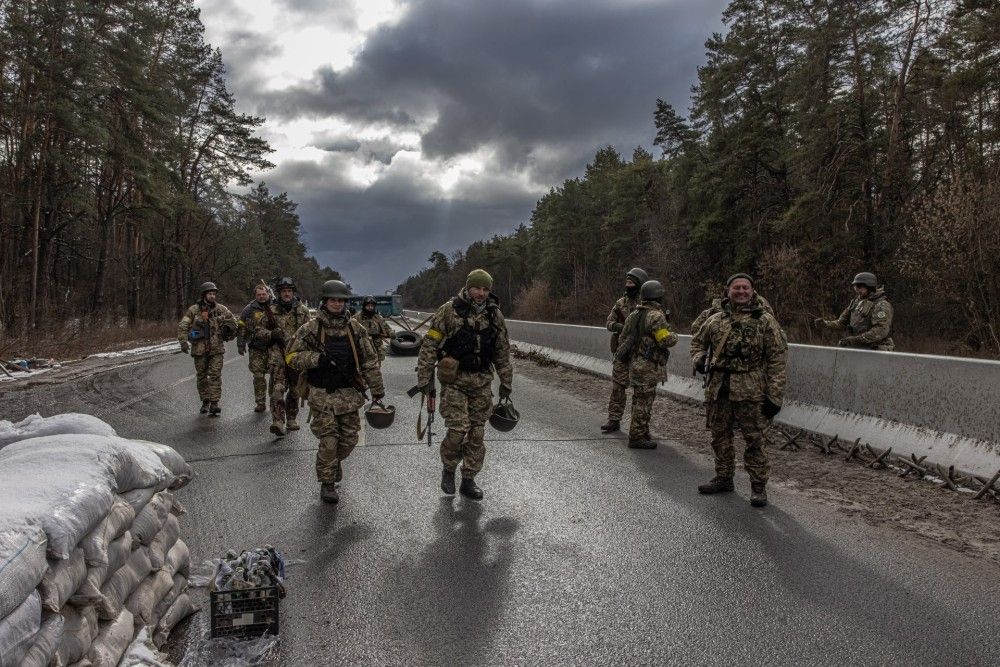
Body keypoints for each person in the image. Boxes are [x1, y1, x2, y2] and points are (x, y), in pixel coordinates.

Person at [415, 269, 513, 500]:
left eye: (485, 289)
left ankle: (468, 479)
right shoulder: (449, 311)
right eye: (477, 288)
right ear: (468, 287)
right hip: (455, 382)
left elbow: (502, 350)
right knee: (458, 430)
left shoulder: (494, 315)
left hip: (481, 382)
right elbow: (430, 345)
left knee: (477, 433)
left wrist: (506, 381)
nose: (481, 293)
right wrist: (425, 377)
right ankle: (448, 469)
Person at [690, 273, 787, 507]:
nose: (741, 292)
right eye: (736, 288)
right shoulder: (715, 319)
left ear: (752, 291)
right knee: (720, 436)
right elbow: (697, 342)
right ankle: (724, 478)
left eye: (746, 288)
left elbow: (778, 359)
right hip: (719, 388)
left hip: (751, 390)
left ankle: (758, 487)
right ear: (728, 291)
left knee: (755, 441)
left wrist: (775, 395)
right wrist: (699, 358)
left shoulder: (764, 321)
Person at [285, 280, 384, 504]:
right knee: (329, 441)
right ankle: (327, 483)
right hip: (322, 395)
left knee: (348, 440)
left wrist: (377, 389)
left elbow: (369, 361)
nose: (337, 304)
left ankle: (333, 462)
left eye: (341, 300)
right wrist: (316, 359)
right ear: (325, 302)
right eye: (333, 300)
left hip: (350, 395)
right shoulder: (310, 329)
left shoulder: (356, 329)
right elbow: (291, 357)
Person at [615, 280, 678, 448]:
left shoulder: (634, 314)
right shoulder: (656, 316)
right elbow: (665, 340)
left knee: (638, 399)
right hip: (648, 366)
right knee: (644, 401)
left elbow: (623, 338)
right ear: (657, 296)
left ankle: (641, 430)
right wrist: (674, 336)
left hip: (635, 364)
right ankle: (636, 437)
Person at [177, 281, 238, 415]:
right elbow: (183, 325)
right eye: (210, 294)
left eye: (214, 294)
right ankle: (205, 401)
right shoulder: (194, 310)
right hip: (199, 349)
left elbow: (234, 322)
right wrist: (183, 341)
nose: (212, 296)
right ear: (204, 294)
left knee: (215, 375)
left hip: (216, 348)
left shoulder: (221, 309)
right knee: (202, 376)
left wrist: (228, 332)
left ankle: (214, 403)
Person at [601, 267, 648, 433]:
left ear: (639, 285)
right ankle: (614, 419)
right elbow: (608, 323)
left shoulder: (646, 304)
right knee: (618, 387)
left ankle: (639, 427)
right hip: (622, 352)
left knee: (641, 391)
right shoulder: (620, 303)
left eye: (631, 282)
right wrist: (620, 327)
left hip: (641, 354)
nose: (628, 285)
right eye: (626, 282)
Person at [265, 277, 311, 436]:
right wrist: (271, 334)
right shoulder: (270, 310)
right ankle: (278, 421)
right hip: (277, 357)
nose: (286, 294)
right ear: (279, 293)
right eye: (284, 291)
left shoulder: (302, 311)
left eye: (289, 291)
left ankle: (291, 418)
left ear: (293, 292)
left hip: (296, 358)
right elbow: (257, 332)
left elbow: (310, 333)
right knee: (277, 390)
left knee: (295, 391)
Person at [815, 272, 894, 351]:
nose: (856, 290)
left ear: (869, 287)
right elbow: (841, 323)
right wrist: (825, 324)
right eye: (855, 287)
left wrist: (855, 340)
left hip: (877, 349)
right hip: (860, 348)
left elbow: (880, 331)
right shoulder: (856, 302)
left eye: (859, 287)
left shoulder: (881, 305)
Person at [237, 284, 273, 412]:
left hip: (273, 347)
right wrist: (240, 344)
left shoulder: (275, 307)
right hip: (256, 348)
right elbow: (241, 326)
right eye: (259, 295)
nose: (262, 297)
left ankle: (274, 401)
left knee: (275, 376)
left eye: (264, 294)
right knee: (258, 376)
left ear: (268, 294)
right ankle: (260, 402)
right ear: (255, 296)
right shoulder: (249, 309)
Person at [353, 296, 393, 365]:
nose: (370, 307)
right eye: (368, 305)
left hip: (377, 348)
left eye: (372, 306)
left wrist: (391, 333)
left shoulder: (378, 317)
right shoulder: (357, 317)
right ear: (364, 306)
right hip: (363, 348)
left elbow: (386, 327)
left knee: (376, 369)